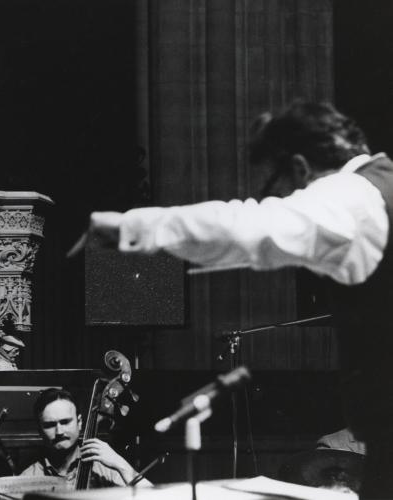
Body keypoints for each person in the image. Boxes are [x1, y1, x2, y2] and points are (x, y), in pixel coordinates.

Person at [87, 100, 393, 499]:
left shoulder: (351, 195)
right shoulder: (380, 185)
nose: (281, 198)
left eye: (278, 189)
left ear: (300, 167)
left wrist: (129, 227)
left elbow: (250, 226)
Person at [19, 388, 152, 488]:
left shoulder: (104, 469)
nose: (59, 431)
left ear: (80, 423)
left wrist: (121, 465)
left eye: (65, 422)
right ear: (40, 431)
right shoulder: (27, 478)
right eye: (50, 425)